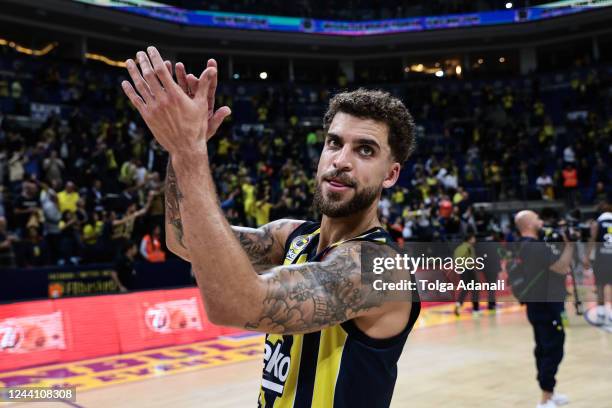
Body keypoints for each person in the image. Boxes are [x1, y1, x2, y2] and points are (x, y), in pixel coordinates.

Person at [122, 47, 420, 408]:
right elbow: (183, 238)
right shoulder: (292, 236)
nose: (341, 161)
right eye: (334, 143)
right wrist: (181, 145)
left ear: (391, 174)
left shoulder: (376, 270)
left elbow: (237, 305)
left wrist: (189, 151)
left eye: (365, 150)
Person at [514, 210, 573, 408]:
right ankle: (545, 399)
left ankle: (549, 392)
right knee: (553, 349)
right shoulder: (537, 248)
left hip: (536, 305)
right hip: (548, 306)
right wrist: (569, 246)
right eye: (537, 218)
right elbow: (562, 267)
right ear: (530, 224)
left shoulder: (521, 246)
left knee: (542, 348)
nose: (541, 221)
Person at [583, 201, 612, 325]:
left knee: (600, 286)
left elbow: (592, 240)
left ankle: (601, 312)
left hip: (601, 259)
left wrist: (587, 257)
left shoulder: (596, 223)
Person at [453, 233, 480, 316]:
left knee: (465, 289)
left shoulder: (458, 248)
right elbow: (472, 260)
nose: (474, 240)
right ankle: (475, 309)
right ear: (470, 239)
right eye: (473, 238)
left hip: (462, 271)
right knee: (475, 289)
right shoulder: (469, 248)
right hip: (469, 270)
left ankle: (458, 303)